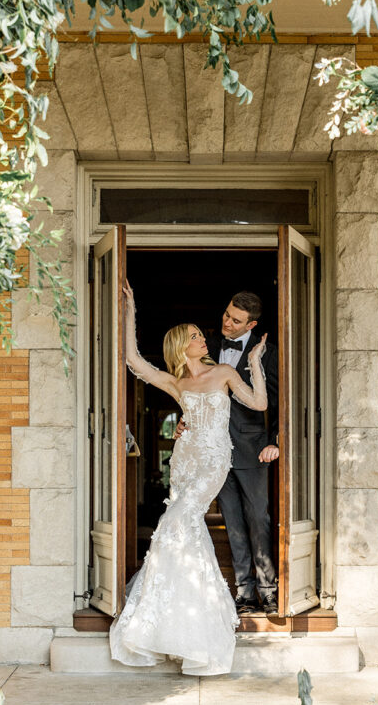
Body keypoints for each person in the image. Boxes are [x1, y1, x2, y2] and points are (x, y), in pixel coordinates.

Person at [109, 282, 268, 676]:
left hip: (214, 460)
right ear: (183, 346)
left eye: (202, 334)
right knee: (181, 531)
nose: (204, 338)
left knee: (174, 525)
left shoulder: (226, 372)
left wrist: (257, 362)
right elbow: (132, 359)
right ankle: (177, 620)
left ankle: (185, 621)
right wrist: (130, 308)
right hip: (184, 461)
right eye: (196, 335)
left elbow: (260, 403)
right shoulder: (175, 382)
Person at [176, 292, 279, 615]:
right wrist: (184, 421)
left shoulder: (267, 354)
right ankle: (245, 592)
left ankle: (269, 588)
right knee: (232, 522)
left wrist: (274, 439)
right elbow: (194, 391)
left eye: (236, 320)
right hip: (214, 452)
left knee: (258, 519)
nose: (227, 322)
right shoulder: (206, 349)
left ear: (252, 324)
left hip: (253, 449)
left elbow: (279, 400)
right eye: (226, 314)